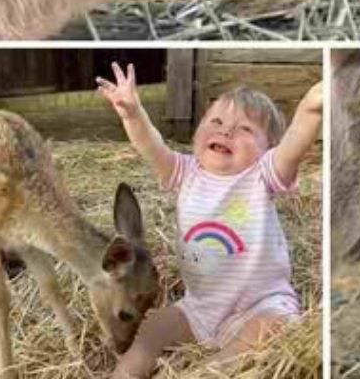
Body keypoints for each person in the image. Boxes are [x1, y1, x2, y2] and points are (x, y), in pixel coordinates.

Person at [96, 62, 322, 378]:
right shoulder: (184, 172)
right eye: (215, 120)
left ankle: (206, 371)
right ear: (198, 131)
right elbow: (150, 144)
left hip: (259, 306)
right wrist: (133, 114)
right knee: (152, 330)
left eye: (245, 129)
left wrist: (313, 106)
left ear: (267, 150)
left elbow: (295, 145)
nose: (225, 130)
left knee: (269, 331)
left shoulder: (262, 175)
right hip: (200, 307)